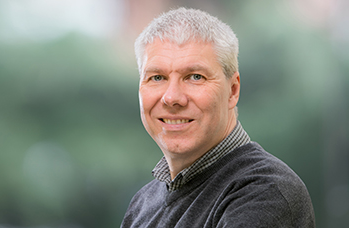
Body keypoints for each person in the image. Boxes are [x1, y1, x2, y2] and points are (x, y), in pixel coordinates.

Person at [121, 7, 315, 228]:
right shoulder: (142, 205)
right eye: (157, 77)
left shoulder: (265, 192)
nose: (172, 97)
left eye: (195, 77)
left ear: (232, 90)